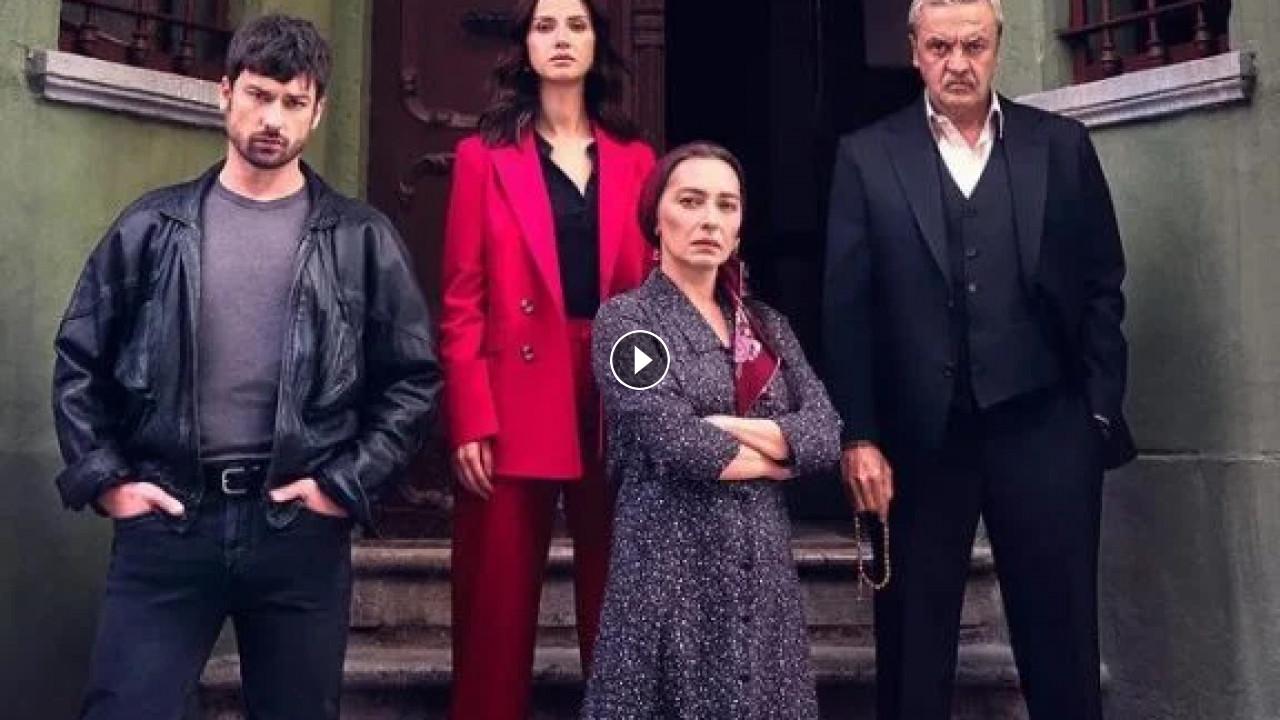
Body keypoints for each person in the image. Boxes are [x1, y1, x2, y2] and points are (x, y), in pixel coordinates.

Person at [51, 14, 440, 720]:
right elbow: (81, 360)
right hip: (171, 523)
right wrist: (108, 482)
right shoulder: (153, 228)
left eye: (294, 102)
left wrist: (343, 485)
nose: (273, 119)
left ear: (317, 112)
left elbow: (412, 381)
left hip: (298, 532)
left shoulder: (360, 239)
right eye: (260, 95)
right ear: (225, 92)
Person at [822, 0, 1136, 718]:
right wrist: (859, 435)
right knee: (913, 649)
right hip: (918, 440)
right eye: (940, 47)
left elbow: (1101, 285)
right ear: (913, 49)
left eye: (973, 45)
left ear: (997, 45)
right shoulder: (867, 156)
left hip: (1045, 425)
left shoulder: (1060, 145)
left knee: (1063, 643)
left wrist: (1094, 414)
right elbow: (847, 312)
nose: (957, 63)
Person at [438, 0, 655, 717]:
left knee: (618, 588)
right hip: (513, 390)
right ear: (524, 46)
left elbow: (656, 293)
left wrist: (658, 402)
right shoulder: (483, 157)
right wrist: (470, 416)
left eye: (576, 25)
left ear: (597, 44)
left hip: (612, 383)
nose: (561, 39)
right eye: (545, 25)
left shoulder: (636, 159)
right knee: (494, 598)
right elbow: (462, 299)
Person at [583, 142, 841, 719]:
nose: (709, 219)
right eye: (691, 201)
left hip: (760, 570)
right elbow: (675, 441)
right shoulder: (629, 321)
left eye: (726, 205)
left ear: (740, 226)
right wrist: (783, 453)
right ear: (656, 218)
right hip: (666, 570)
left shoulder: (767, 326)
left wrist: (729, 429)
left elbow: (825, 433)